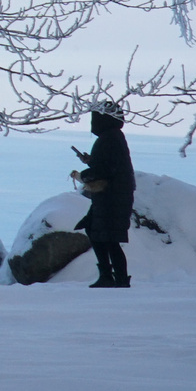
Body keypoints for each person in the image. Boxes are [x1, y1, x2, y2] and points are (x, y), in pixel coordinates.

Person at [71, 104, 136, 288]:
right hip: (113, 195)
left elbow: (107, 169)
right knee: (96, 230)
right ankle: (109, 276)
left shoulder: (110, 138)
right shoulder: (113, 137)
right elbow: (109, 163)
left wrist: (84, 175)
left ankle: (117, 279)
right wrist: (91, 161)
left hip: (112, 196)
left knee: (108, 237)